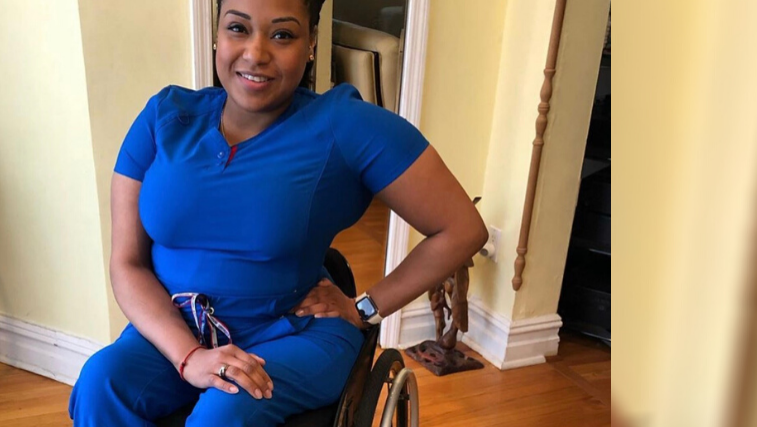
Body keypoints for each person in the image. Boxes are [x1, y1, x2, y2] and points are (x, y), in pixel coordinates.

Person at [68, 0, 487, 425]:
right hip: (177, 327)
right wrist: (189, 355)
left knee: (225, 409)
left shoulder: (343, 124)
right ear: (217, 33)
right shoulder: (165, 117)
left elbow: (461, 228)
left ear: (311, 43)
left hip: (291, 335)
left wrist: (366, 307)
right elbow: (127, 263)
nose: (255, 53)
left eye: (282, 35)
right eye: (238, 28)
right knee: (100, 382)